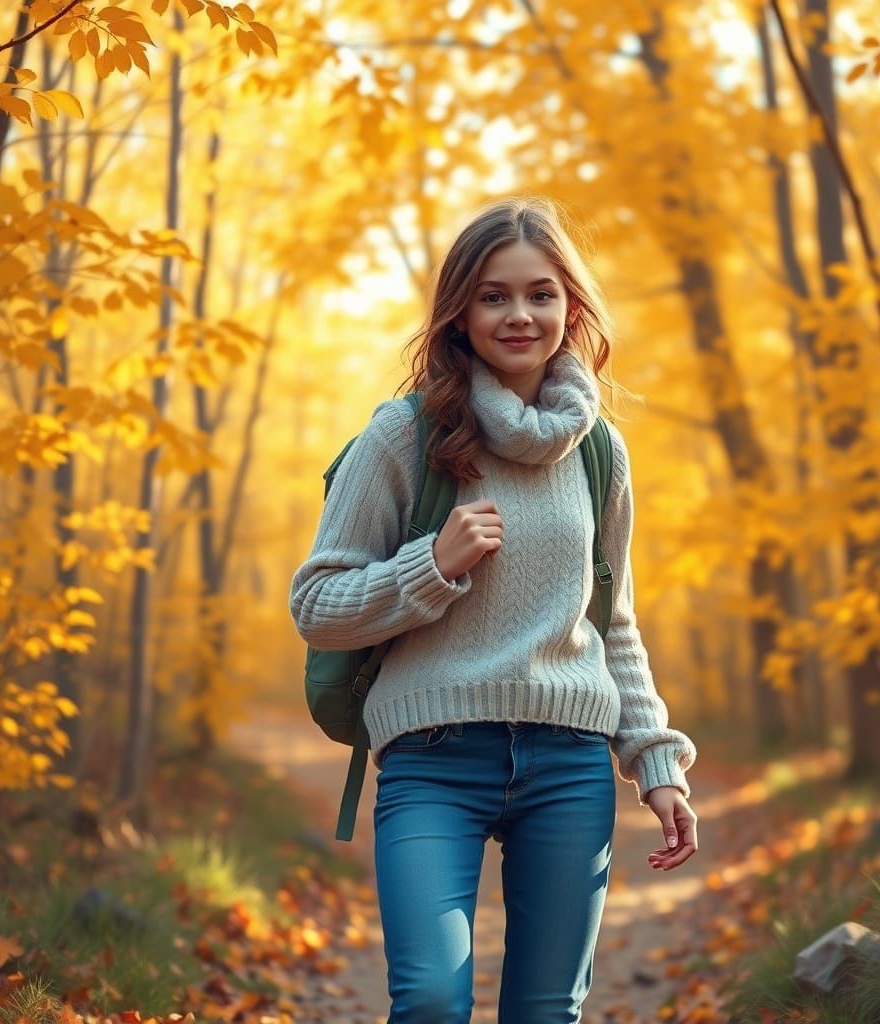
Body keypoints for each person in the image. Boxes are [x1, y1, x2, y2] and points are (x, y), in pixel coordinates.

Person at [289, 195, 698, 1023]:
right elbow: (317, 605)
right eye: (494, 295)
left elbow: (612, 618)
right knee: (434, 999)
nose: (520, 314)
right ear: (459, 313)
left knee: (547, 1012)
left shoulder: (600, 452)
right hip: (433, 759)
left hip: (570, 765)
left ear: (570, 307)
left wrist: (656, 763)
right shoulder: (403, 436)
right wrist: (428, 567)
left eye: (541, 294)